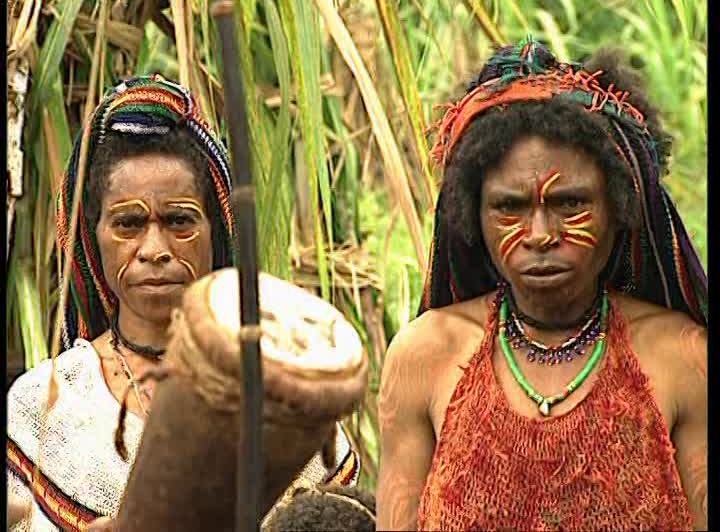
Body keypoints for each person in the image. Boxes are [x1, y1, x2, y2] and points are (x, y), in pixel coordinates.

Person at [376, 38, 707, 531]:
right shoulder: (424, 356)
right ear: (474, 216)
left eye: (570, 204)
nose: (540, 235)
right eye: (510, 208)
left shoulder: (683, 359)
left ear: (618, 211)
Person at [6, 75, 359, 531]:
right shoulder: (46, 406)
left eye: (179, 220)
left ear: (219, 231)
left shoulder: (289, 394)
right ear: (93, 239)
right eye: (128, 224)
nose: (155, 248)